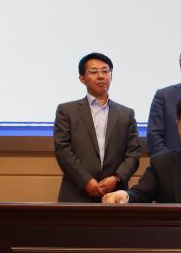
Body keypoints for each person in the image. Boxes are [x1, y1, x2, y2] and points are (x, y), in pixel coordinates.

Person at [53, 52, 141, 203]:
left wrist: (116, 178)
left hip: (114, 194)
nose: (100, 76)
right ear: (82, 78)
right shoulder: (66, 111)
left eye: (105, 71)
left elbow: (134, 152)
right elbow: (63, 150)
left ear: (111, 76)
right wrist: (85, 180)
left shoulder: (126, 114)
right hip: (76, 193)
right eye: (93, 72)